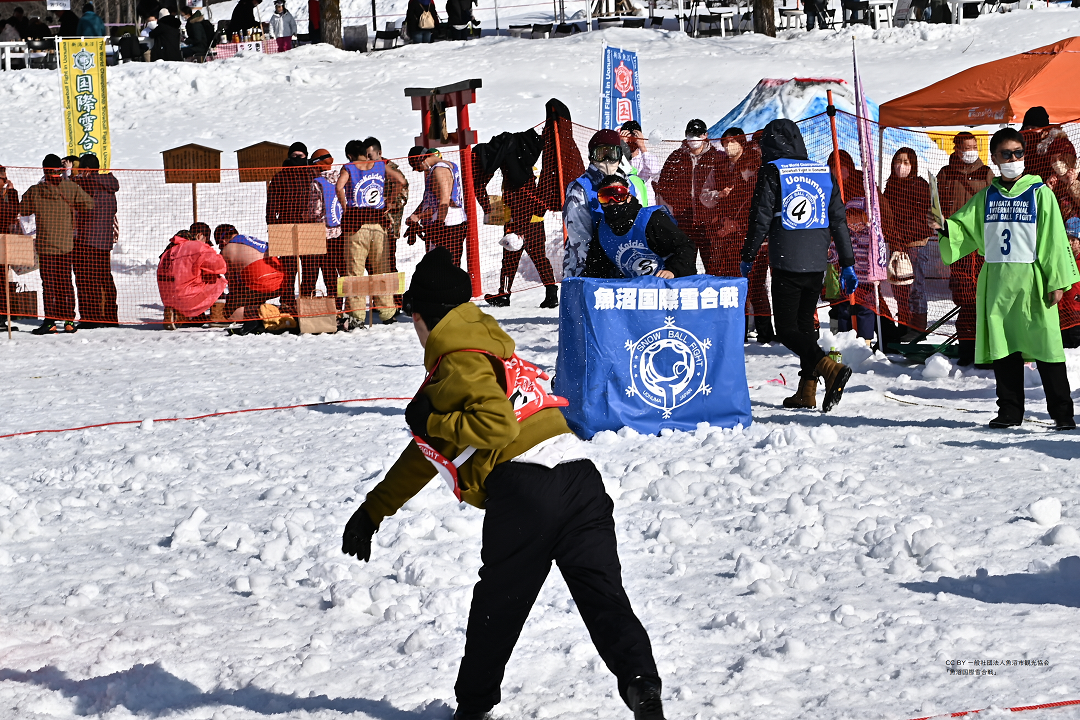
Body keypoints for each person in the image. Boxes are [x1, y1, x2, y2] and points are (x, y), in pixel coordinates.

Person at [341, 246, 664, 720]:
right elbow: (428, 453)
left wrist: (435, 421)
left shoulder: (457, 359)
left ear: (426, 318)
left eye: (414, 318)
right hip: (580, 479)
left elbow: (495, 428)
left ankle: (472, 709)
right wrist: (374, 509)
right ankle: (643, 689)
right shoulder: (492, 346)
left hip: (527, 490)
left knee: (497, 610)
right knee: (604, 599)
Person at [938, 128, 1079, 431]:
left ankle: (1062, 414)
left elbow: (1053, 240)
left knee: (1048, 348)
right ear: (995, 158)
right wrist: (945, 227)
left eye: (1018, 153)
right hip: (998, 280)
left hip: (1032, 280)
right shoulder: (987, 196)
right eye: (1006, 154)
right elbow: (964, 227)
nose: (1013, 159)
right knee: (1004, 348)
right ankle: (1009, 411)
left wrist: (1056, 281)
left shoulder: (1039, 193)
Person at [741, 119, 855, 412]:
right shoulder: (822, 171)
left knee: (787, 330)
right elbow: (839, 220)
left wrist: (747, 255)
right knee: (805, 328)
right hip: (816, 262)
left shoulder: (772, 171)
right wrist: (848, 263)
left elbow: (761, 217)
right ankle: (807, 392)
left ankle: (829, 369)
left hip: (786, 260)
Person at [472, 127, 557, 308]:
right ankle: (551, 294)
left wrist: (490, 208)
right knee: (539, 258)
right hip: (535, 219)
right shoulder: (530, 166)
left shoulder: (512, 171)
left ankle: (504, 295)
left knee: (509, 259)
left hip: (516, 219)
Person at [18, 154, 94, 335]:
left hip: (45, 246)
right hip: (66, 245)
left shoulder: (35, 191)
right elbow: (89, 204)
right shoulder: (70, 188)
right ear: (60, 170)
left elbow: (24, 210)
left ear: (44, 170)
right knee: (66, 282)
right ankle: (68, 321)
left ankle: (50, 321)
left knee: (49, 284)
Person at [937, 131, 994, 366]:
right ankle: (967, 349)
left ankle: (987, 349)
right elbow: (937, 206)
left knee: (984, 297)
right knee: (964, 298)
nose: (971, 151)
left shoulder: (986, 173)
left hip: (981, 245)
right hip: (957, 245)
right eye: (966, 147)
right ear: (957, 149)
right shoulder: (945, 174)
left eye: (974, 147)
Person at [338, 139, 406, 327]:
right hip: (379, 224)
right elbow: (400, 180)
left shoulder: (349, 167)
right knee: (381, 270)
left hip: (356, 224)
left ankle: (356, 315)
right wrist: (390, 202)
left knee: (355, 271)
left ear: (350, 155)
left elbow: (338, 187)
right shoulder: (380, 165)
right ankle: (387, 312)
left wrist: (346, 207)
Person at [583, 175, 697, 280]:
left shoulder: (651, 219)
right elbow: (596, 267)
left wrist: (673, 271)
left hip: (673, 285)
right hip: (638, 293)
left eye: (619, 196)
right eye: (605, 198)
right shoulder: (603, 231)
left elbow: (686, 246)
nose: (612, 203)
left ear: (628, 197)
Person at [562, 129, 637, 278]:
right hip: (587, 268)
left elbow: (637, 226)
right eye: (601, 154)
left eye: (612, 153)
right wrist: (595, 271)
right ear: (592, 156)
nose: (607, 160)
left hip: (624, 266)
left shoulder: (628, 185)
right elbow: (580, 238)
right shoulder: (580, 188)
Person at [655, 119, 725, 275]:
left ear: (705, 135)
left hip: (710, 223)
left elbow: (725, 185)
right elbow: (665, 187)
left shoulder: (717, 157)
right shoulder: (676, 158)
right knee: (684, 266)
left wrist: (718, 214)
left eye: (698, 134)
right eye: (690, 134)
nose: (694, 138)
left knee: (715, 267)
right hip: (683, 222)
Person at [882, 147, 933, 338]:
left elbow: (923, 218)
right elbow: (887, 217)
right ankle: (903, 323)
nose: (901, 166)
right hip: (897, 245)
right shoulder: (891, 186)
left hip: (916, 244)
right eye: (898, 161)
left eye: (906, 162)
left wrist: (901, 234)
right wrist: (894, 237)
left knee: (915, 287)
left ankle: (918, 329)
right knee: (898, 286)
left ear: (913, 165)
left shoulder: (920, 185)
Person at [266, 142, 316, 314]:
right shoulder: (280, 177)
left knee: (310, 267)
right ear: (288, 156)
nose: (297, 159)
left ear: (306, 156)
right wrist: (273, 226)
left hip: (310, 227)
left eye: (300, 156)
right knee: (288, 269)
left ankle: (306, 298)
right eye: (294, 156)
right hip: (285, 226)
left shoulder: (313, 174)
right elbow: (271, 204)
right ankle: (287, 301)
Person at [71, 154, 119, 328]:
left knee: (86, 279)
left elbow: (72, 191)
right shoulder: (110, 186)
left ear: (87, 170)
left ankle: (90, 318)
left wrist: (70, 176)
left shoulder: (87, 184)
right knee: (104, 278)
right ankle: (110, 317)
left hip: (86, 240)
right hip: (104, 241)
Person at [365, 137, 409, 311]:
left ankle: (396, 301)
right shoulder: (366, 170)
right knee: (371, 265)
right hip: (368, 227)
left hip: (388, 226)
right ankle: (379, 300)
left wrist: (387, 203)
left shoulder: (391, 170)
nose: (368, 160)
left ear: (380, 153)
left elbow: (403, 195)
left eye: (370, 156)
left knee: (389, 264)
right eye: (365, 156)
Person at [407, 146, 468, 268]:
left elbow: (444, 202)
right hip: (447, 223)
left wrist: (437, 226)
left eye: (415, 166)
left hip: (448, 225)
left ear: (421, 159)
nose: (416, 170)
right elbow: (431, 200)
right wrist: (415, 215)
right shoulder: (445, 166)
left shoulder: (439, 170)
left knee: (444, 268)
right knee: (444, 267)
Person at [158, 229, 228, 329]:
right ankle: (217, 317)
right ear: (200, 236)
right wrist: (211, 252)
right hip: (187, 297)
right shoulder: (195, 247)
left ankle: (177, 316)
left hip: (169, 301)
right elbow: (220, 266)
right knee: (217, 279)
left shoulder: (167, 253)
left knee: (199, 321)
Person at [302, 148, 345, 308]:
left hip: (323, 234)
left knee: (328, 271)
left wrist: (304, 216)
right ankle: (340, 304)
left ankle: (333, 303)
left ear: (316, 165)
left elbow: (315, 210)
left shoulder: (317, 183)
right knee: (341, 269)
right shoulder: (341, 178)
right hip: (340, 232)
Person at [217, 224, 278, 334]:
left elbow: (233, 284)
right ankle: (268, 310)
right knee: (250, 290)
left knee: (229, 310)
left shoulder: (227, 250)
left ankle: (259, 314)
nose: (220, 248)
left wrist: (232, 302)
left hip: (262, 282)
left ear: (224, 240)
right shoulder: (250, 240)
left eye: (220, 244)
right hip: (280, 283)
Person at [619, 120, 658, 206]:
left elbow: (654, 172)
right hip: (626, 204)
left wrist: (642, 146)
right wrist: (621, 146)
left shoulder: (646, 156)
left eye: (634, 139)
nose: (631, 142)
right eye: (628, 139)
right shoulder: (619, 158)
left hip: (646, 205)